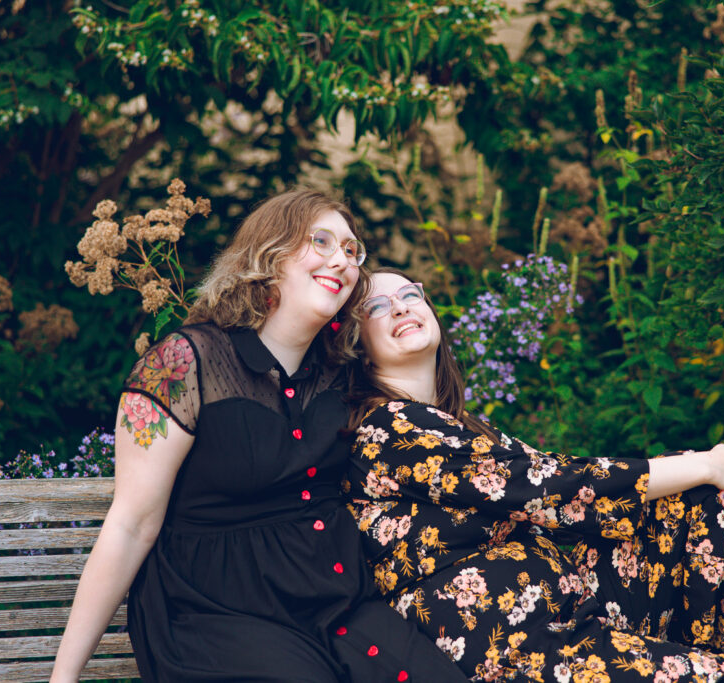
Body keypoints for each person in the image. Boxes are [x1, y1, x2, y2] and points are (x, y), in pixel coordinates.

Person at [343, 268, 724, 683]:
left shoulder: (463, 423)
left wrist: (695, 475)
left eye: (411, 293)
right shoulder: (384, 429)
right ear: (357, 344)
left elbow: (564, 487)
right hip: (515, 649)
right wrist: (700, 463)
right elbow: (546, 488)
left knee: (701, 508)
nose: (400, 307)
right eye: (376, 305)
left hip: (574, 601)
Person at [51, 193, 467, 682]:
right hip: (217, 612)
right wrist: (64, 677)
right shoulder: (183, 364)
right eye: (322, 241)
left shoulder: (340, 375)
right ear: (271, 254)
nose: (343, 260)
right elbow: (131, 525)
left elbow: (416, 413)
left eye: (352, 251)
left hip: (337, 606)